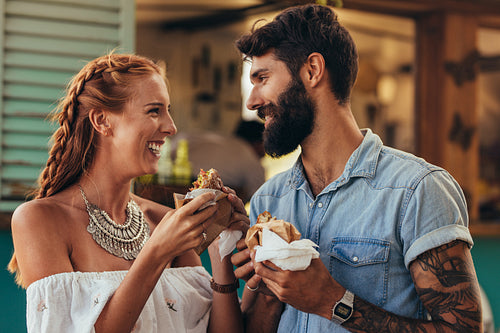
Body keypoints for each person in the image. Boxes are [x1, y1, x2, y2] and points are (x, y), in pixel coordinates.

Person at [231, 4, 482, 333]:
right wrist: (266, 287)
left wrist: (331, 301)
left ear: (312, 71)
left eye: (262, 78)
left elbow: (463, 330)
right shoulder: (269, 201)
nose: (251, 102)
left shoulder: (417, 191)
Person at [7, 53, 247, 333]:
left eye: (168, 110)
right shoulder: (39, 220)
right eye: (154, 110)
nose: (171, 127)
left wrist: (222, 257)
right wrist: (156, 253)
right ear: (102, 121)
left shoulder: (163, 219)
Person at [171, 120, 265, 203]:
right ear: (258, 143)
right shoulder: (249, 156)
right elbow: (260, 198)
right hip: (197, 192)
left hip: (171, 183)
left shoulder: (218, 139)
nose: (265, 153)